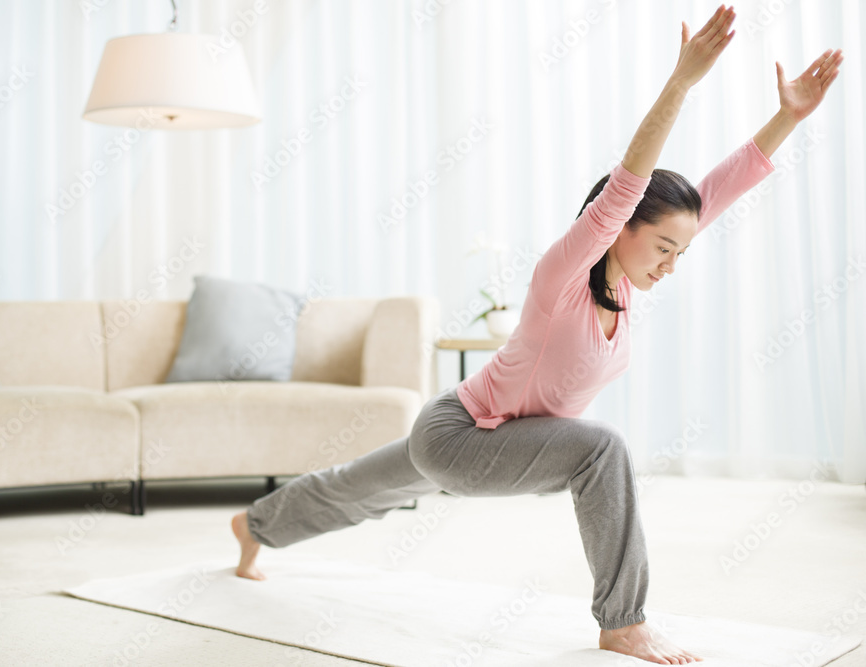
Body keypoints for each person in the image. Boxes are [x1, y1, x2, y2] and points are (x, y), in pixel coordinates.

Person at [230, 5, 843, 664]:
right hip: (459, 433)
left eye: (680, 254)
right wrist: (680, 83)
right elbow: (626, 186)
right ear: (620, 229)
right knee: (600, 450)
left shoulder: (627, 289)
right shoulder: (562, 280)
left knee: (357, 487)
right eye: (663, 247)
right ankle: (623, 620)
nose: (670, 265)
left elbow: (716, 191)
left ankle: (253, 523)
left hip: (480, 431)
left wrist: (789, 117)